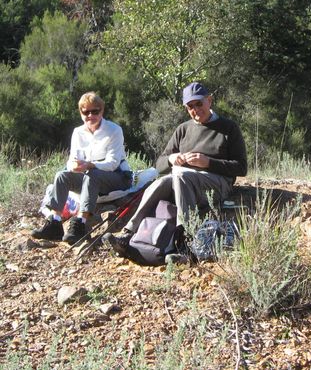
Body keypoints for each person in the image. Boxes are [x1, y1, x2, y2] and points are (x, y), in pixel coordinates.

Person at [103, 81, 247, 255]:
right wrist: (172, 159)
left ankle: (184, 239)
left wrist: (208, 162)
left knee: (180, 175)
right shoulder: (183, 129)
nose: (195, 110)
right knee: (160, 182)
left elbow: (241, 168)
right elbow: (159, 164)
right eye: (190, 106)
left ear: (209, 100)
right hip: (183, 184)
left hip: (216, 185)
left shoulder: (229, 128)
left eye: (199, 103)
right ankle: (128, 233)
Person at [31, 92, 132, 244]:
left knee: (92, 174)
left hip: (117, 176)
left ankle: (80, 224)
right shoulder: (78, 132)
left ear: (102, 111)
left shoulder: (114, 130)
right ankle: (55, 223)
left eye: (95, 111)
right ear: (81, 113)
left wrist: (90, 165)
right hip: (89, 175)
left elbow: (113, 163)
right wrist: (74, 167)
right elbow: (73, 158)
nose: (90, 115)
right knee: (62, 175)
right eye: (86, 112)